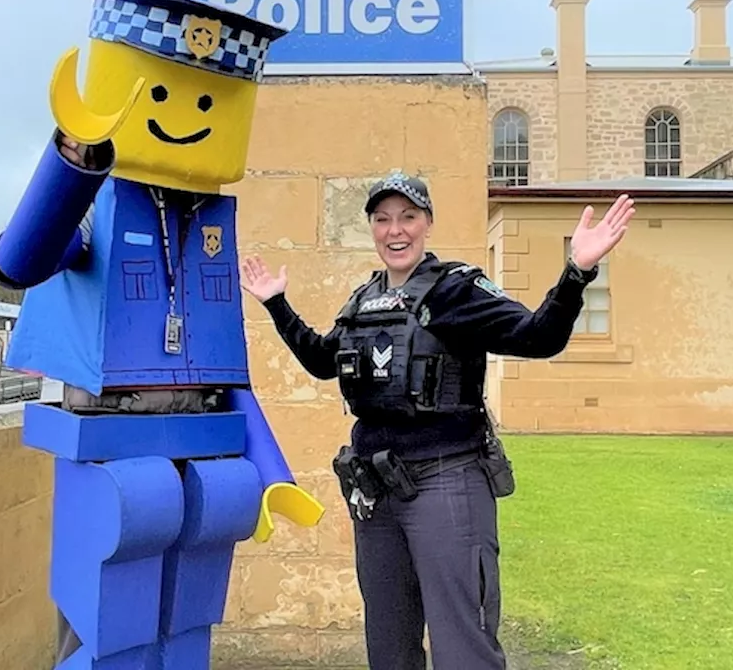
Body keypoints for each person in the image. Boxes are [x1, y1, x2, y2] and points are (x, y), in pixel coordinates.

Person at [239, 172, 635, 670]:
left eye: (407, 216)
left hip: (445, 481)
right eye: (382, 219)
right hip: (376, 491)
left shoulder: (456, 290)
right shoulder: (365, 299)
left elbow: (537, 336)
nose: (394, 230)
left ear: (427, 222)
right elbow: (324, 360)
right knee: (389, 644)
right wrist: (278, 304)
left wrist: (576, 271)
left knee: (461, 643)